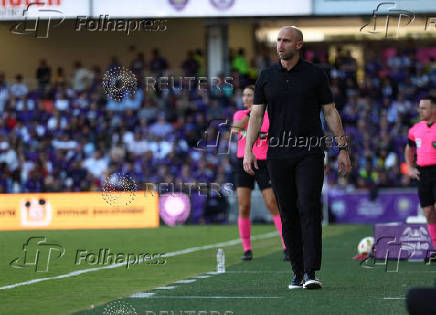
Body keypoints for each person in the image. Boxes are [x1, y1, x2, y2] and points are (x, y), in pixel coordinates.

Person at [244, 26, 351, 290]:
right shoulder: (266, 76)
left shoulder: (316, 75)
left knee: (309, 206)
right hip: (277, 153)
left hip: (310, 151)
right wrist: (248, 149)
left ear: (299, 45)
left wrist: (343, 148)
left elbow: (329, 111)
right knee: (288, 212)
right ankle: (297, 272)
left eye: (286, 40)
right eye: (278, 40)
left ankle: (311, 271)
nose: (280, 45)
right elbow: (256, 115)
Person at [231, 85, 288, 261]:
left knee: (272, 203)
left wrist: (255, 132)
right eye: (245, 95)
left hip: (264, 161)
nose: (246, 98)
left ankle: (287, 246)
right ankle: (247, 249)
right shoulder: (240, 114)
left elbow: (271, 134)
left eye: (250, 95)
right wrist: (251, 114)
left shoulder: (268, 114)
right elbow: (235, 129)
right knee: (243, 206)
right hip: (243, 161)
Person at [405, 96, 436, 255]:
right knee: (428, 212)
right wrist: (410, 167)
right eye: (419, 107)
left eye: (423, 107)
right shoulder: (415, 129)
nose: (420, 110)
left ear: (433, 109)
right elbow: (409, 148)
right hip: (423, 173)